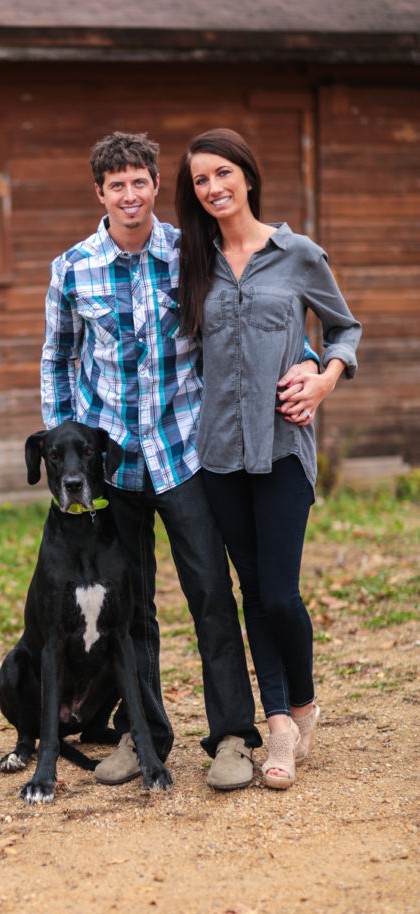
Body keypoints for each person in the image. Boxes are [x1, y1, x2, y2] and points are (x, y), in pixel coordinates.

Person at [41, 132, 318, 790]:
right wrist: (64, 453)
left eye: (140, 182)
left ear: (155, 186)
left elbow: (260, 311)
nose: (130, 195)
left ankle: (229, 737)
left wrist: (307, 359)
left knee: (212, 598)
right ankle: (144, 735)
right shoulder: (71, 267)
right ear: (99, 194)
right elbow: (56, 359)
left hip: (186, 454)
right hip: (113, 467)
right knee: (131, 609)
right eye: (116, 186)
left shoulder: (189, 254)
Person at [174, 127, 361, 789]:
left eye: (223, 173)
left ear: (247, 176)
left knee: (281, 594)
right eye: (200, 180)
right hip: (218, 451)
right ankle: (280, 720)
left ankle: (302, 700)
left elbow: (342, 326)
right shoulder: (188, 261)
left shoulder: (297, 254)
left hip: (282, 445)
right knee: (252, 591)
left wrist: (322, 375)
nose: (214, 187)